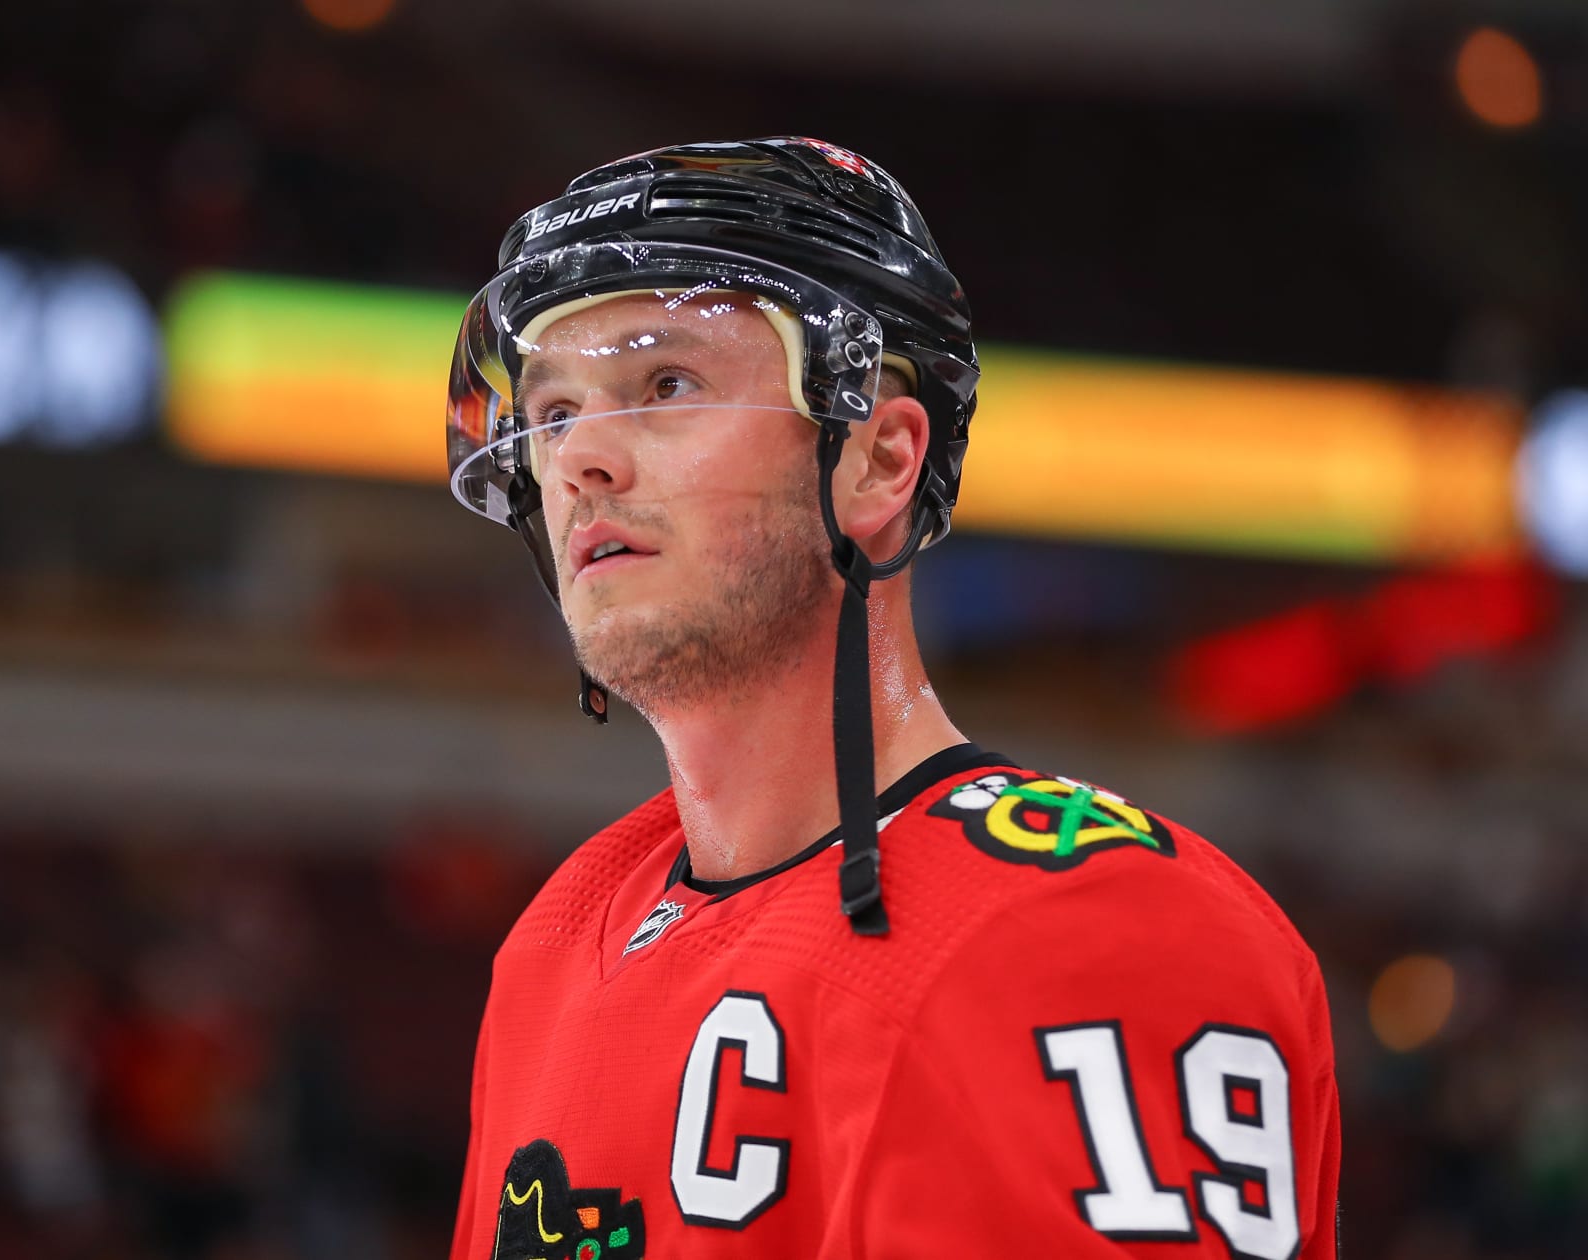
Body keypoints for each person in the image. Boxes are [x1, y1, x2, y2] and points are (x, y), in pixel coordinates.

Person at [443, 137, 1340, 1258]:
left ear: (877, 461)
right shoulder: (565, 934)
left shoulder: (1091, 921)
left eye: (665, 385)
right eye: (557, 409)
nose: (581, 461)